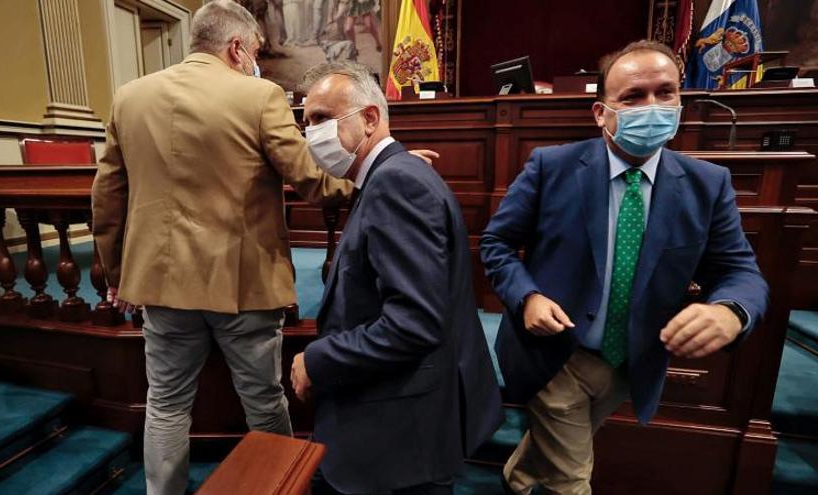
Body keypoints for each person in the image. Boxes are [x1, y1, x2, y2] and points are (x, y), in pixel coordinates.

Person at [480, 40, 769, 495]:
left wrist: (731, 310)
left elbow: (740, 272)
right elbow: (496, 243)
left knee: (559, 446)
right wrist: (526, 295)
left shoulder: (707, 185)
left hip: (628, 359)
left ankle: (516, 478)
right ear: (601, 112)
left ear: (680, 100)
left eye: (665, 92)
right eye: (633, 97)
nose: (651, 106)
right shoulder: (550, 167)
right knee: (572, 480)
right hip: (553, 353)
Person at [91, 2, 353, 493]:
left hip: (161, 286)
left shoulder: (130, 97)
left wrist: (117, 272)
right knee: (263, 399)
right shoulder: (259, 96)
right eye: (254, 49)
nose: (255, 59)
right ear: (236, 47)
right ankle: (275, 487)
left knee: (166, 405)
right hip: (244, 283)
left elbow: (107, 194)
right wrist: (368, 179)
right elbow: (308, 179)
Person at [289, 61, 503, 495]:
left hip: (400, 433)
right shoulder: (391, 176)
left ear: (370, 119)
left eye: (322, 119)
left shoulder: (397, 184)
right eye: (306, 122)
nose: (311, 134)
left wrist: (318, 359)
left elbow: (413, 323)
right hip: (399, 415)